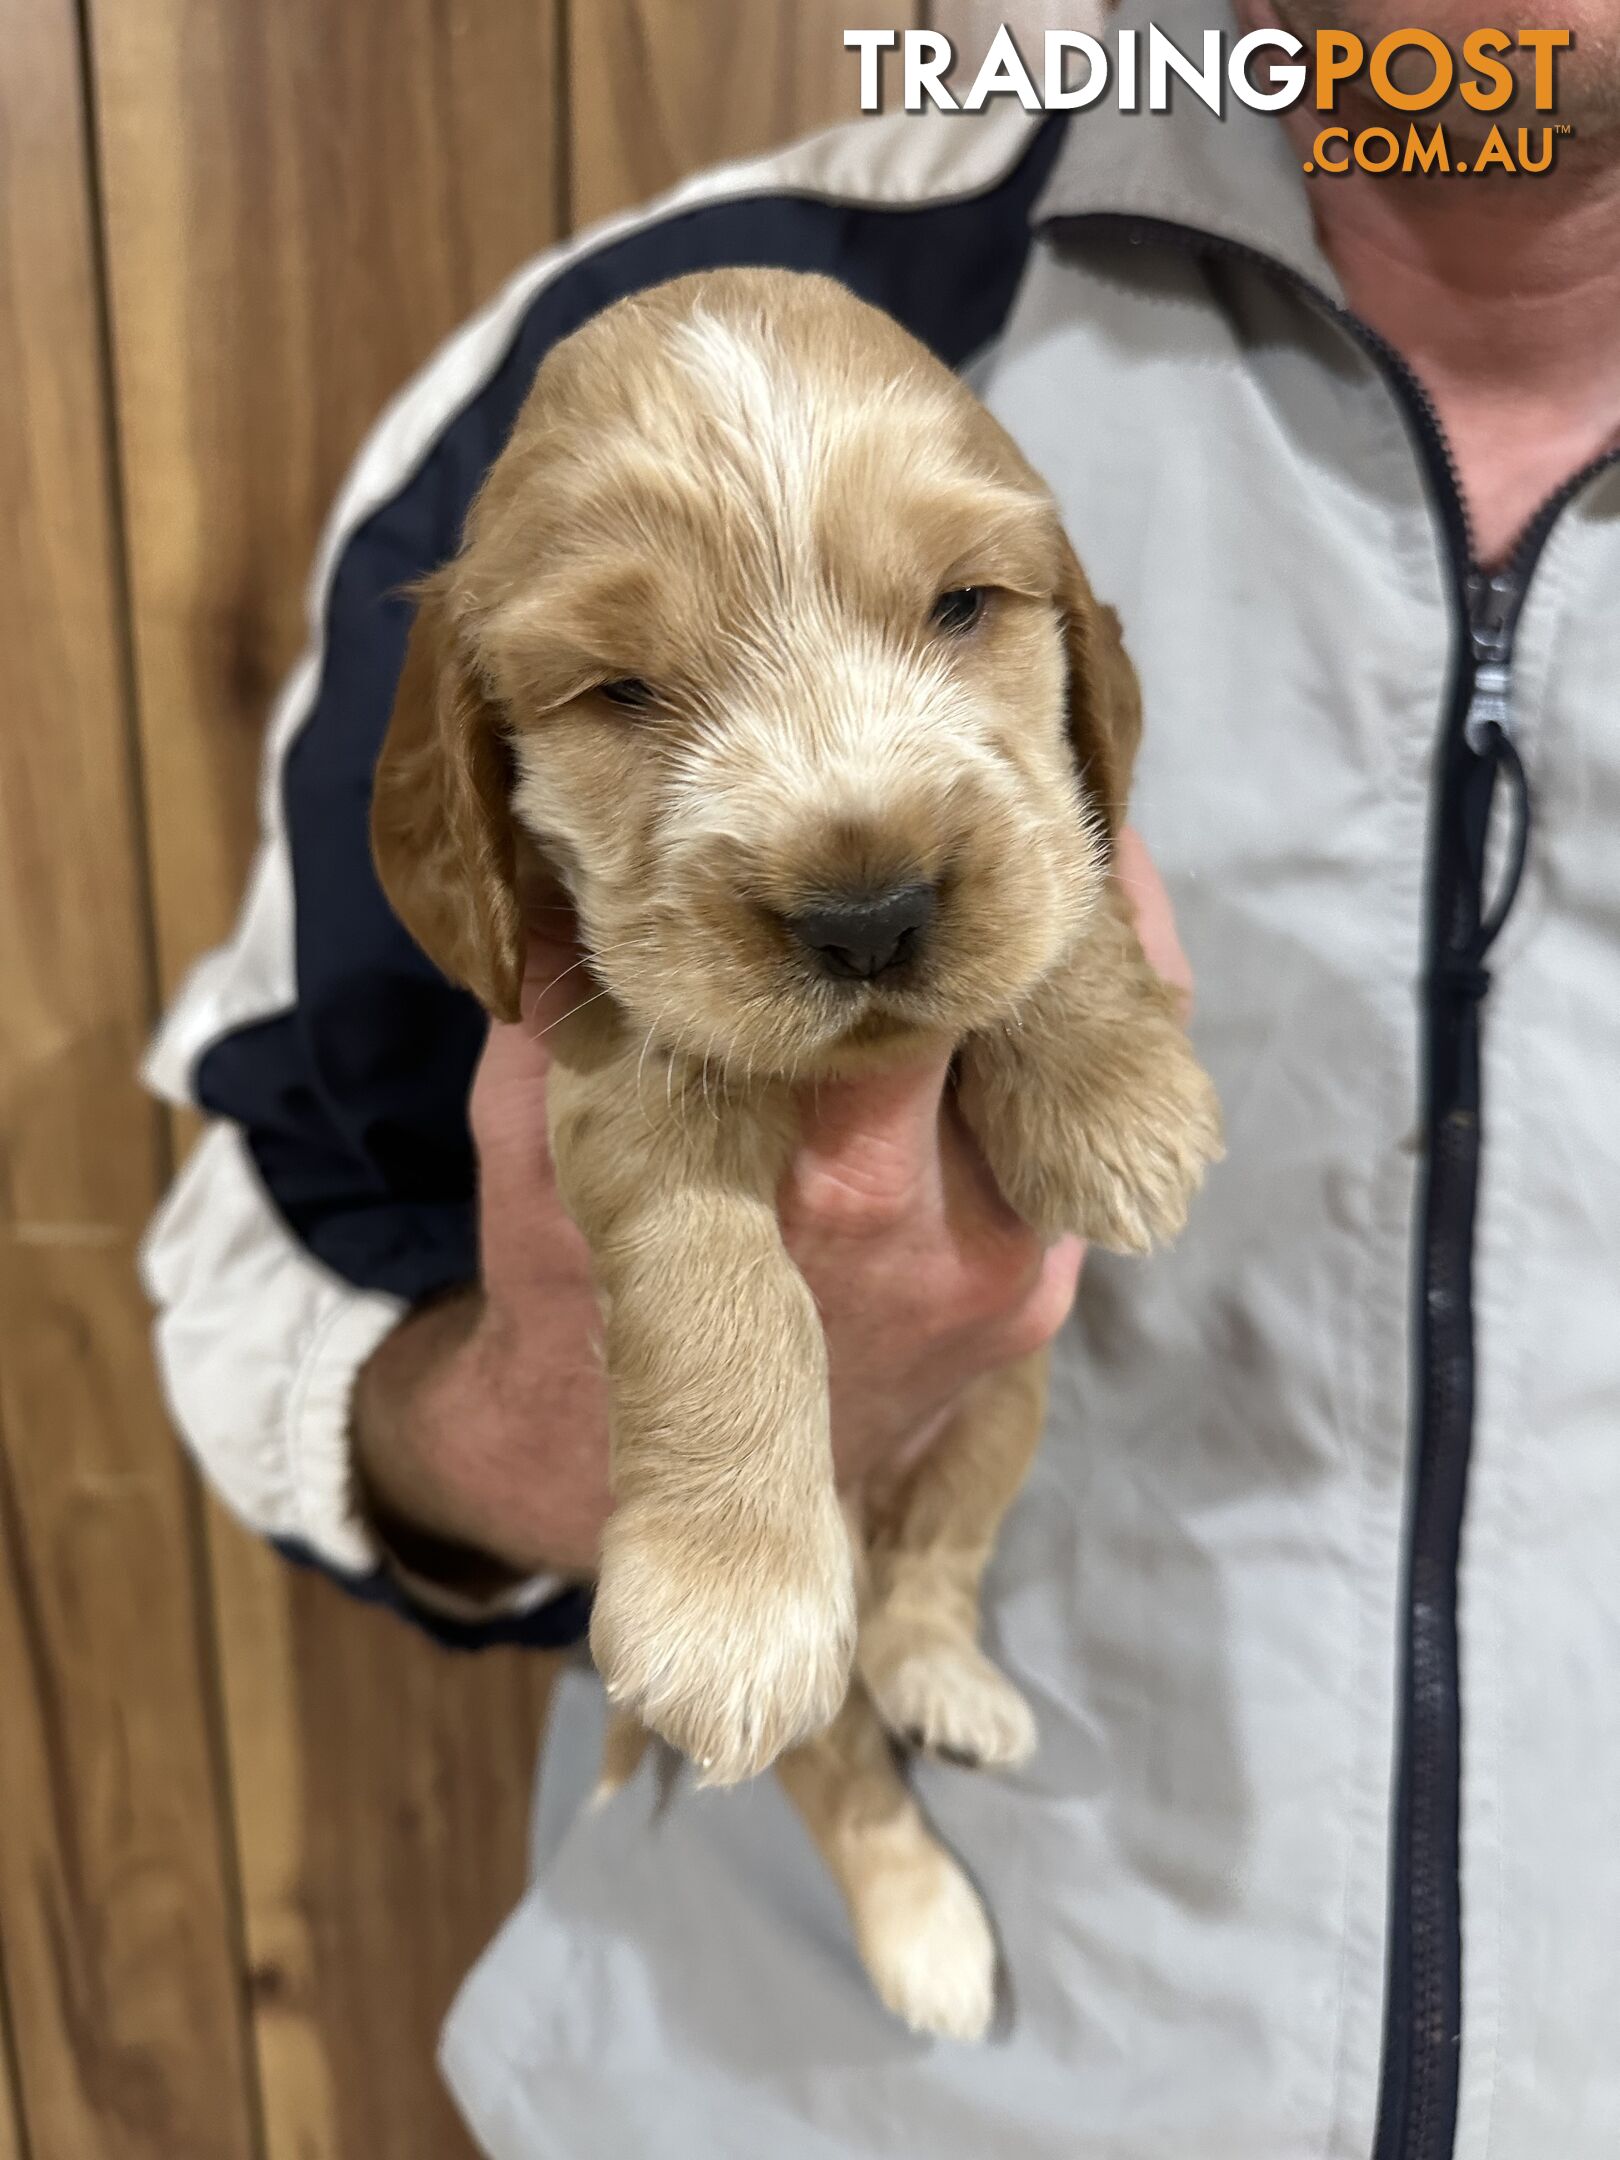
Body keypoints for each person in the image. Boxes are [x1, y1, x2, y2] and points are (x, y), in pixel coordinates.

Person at [140, 1, 1620, 2153]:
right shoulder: (660, 328)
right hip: (781, 2076)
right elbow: (240, 1269)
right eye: (632, 684)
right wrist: (540, 1435)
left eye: (962, 611)